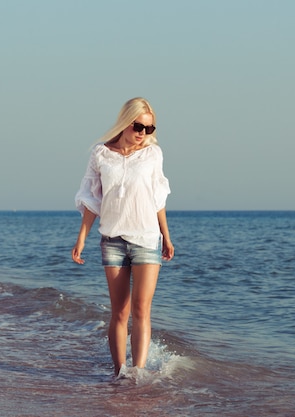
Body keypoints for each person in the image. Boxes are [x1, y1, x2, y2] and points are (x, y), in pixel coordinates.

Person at [71, 97, 174, 376]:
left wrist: (166, 235)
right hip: (113, 241)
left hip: (146, 238)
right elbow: (92, 201)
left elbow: (157, 198)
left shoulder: (153, 154)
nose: (143, 133)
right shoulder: (101, 154)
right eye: (138, 126)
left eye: (149, 129)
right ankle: (119, 374)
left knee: (142, 310)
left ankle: (137, 375)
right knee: (119, 312)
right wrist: (81, 239)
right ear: (125, 123)